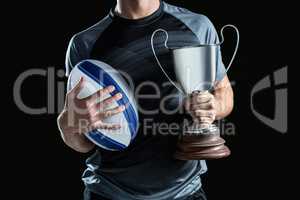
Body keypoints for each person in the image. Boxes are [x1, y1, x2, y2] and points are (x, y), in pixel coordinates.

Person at [57, 0, 234, 199]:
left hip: (184, 192)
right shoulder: (85, 43)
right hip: (109, 192)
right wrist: (68, 124)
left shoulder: (197, 26)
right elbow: (83, 143)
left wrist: (213, 106)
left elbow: (223, 92)